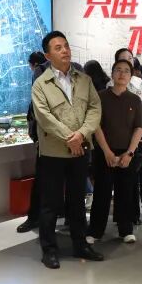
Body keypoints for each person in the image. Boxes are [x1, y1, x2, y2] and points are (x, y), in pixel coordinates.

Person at [31, 31, 103, 268]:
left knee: (77, 200)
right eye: (58, 48)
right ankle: (49, 249)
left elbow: (95, 109)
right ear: (47, 55)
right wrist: (69, 138)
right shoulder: (41, 84)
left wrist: (81, 135)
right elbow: (44, 117)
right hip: (53, 153)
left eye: (66, 46)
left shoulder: (84, 80)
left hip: (80, 150)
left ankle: (80, 244)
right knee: (50, 203)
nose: (65, 51)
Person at [89, 59, 142, 243]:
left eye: (126, 71)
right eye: (118, 70)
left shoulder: (135, 100)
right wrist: (107, 152)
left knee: (125, 192)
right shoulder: (100, 97)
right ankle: (95, 231)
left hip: (126, 153)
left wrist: (130, 153)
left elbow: (139, 128)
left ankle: (125, 230)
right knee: (101, 193)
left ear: (131, 76)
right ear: (112, 74)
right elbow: (96, 126)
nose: (122, 74)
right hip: (104, 152)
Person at [114, 48, 142, 222]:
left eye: (130, 58)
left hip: (138, 137)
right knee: (119, 177)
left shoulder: (140, 84)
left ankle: (134, 214)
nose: (127, 61)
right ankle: (121, 216)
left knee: (134, 175)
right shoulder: (110, 85)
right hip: (117, 139)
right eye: (123, 59)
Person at [17, 50, 46, 234]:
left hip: (51, 141)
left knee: (43, 180)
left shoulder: (40, 72)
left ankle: (35, 217)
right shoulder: (44, 72)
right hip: (46, 140)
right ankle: (36, 217)